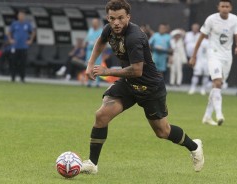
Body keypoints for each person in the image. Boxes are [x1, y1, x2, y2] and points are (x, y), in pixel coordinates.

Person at [81, 0, 204, 174]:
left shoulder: (135, 37)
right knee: (102, 115)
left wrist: (106, 70)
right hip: (128, 84)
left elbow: (137, 70)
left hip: (150, 87)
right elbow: (101, 41)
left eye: (121, 18)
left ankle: (194, 146)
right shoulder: (110, 29)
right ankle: (92, 164)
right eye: (112, 18)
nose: (116, 22)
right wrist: (90, 63)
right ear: (108, 18)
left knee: (162, 131)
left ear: (128, 17)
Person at [189, 0, 237, 126]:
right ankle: (219, 114)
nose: (224, 8)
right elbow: (200, 38)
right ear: (218, 7)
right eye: (222, 6)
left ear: (231, 8)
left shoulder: (234, 19)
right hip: (213, 54)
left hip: (227, 56)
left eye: (227, 6)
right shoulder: (211, 19)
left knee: (218, 86)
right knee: (217, 82)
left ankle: (207, 116)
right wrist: (194, 56)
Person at [7, 10, 35, 82]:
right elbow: (9, 32)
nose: (21, 17)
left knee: (23, 63)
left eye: (22, 15)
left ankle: (22, 78)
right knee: (13, 63)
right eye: (20, 15)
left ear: (24, 16)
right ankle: (13, 78)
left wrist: (30, 40)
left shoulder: (27, 24)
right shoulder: (14, 24)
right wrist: (10, 40)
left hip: (24, 47)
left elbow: (32, 32)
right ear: (18, 16)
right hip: (15, 47)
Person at [85, 18, 103, 87]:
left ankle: (97, 83)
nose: (94, 24)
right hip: (89, 52)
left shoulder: (101, 31)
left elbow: (102, 42)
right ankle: (89, 82)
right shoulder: (90, 30)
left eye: (95, 22)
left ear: (98, 23)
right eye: (93, 22)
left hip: (97, 53)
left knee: (96, 68)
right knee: (89, 67)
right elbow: (87, 40)